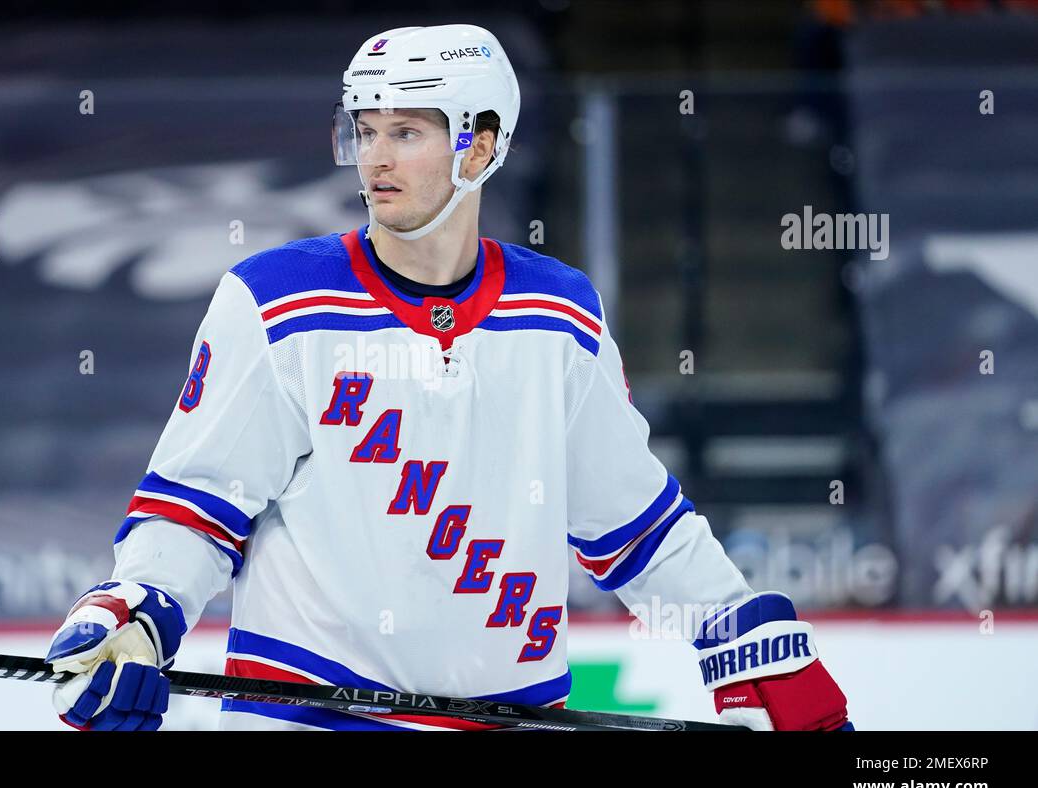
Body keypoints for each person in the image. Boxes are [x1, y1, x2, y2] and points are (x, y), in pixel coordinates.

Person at [44, 23, 852, 732]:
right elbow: (196, 507)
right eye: (364, 130)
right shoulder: (275, 301)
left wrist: (745, 638)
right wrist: (139, 615)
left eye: (406, 132)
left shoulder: (559, 313)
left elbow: (634, 523)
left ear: (481, 144)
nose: (375, 158)